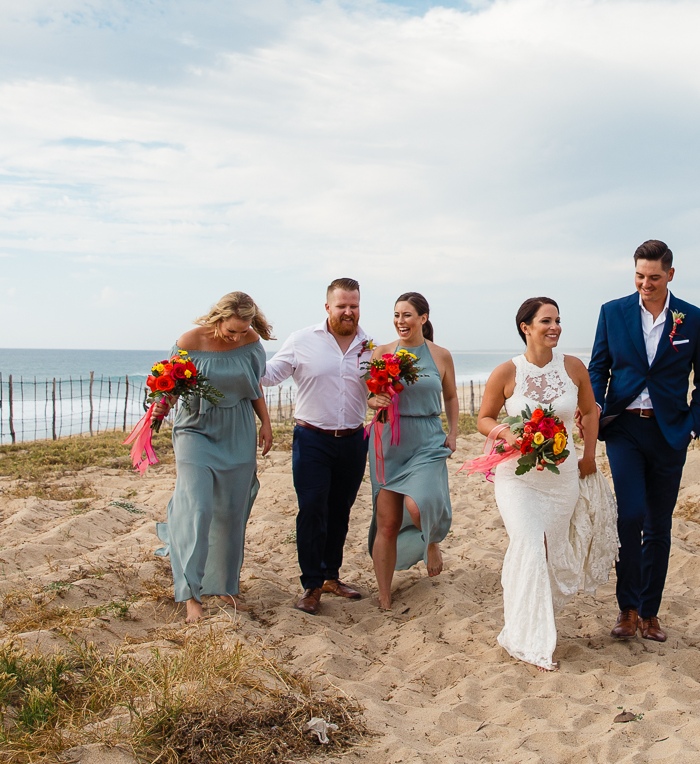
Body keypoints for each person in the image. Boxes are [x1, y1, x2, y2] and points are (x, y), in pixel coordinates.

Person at [588, 239, 700, 643]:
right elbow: (599, 367)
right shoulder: (612, 312)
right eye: (640, 276)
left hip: (670, 431)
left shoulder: (693, 319)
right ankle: (626, 609)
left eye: (654, 277)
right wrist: (595, 407)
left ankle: (650, 612)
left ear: (670, 276)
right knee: (630, 516)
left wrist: (693, 423)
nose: (646, 283)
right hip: (624, 428)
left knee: (659, 525)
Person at [476, 297, 614, 671]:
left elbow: (589, 411)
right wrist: (506, 432)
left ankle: (531, 619)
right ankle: (527, 638)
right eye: (546, 321)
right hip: (518, 477)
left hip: (563, 477)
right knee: (529, 545)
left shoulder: (573, 367)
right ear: (526, 327)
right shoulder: (507, 372)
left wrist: (589, 456)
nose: (554, 327)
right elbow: (484, 418)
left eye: (557, 321)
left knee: (550, 554)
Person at [153, 291, 275, 623]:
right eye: (231, 330)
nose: (237, 336)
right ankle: (192, 594)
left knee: (231, 513)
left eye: (244, 329)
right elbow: (169, 387)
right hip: (196, 428)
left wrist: (265, 422)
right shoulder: (189, 340)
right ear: (217, 318)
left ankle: (225, 587)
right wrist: (155, 418)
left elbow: (255, 386)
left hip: (237, 430)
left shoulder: (250, 342)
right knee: (198, 508)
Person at [263, 278, 373, 615]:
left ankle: (330, 576)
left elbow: (383, 388)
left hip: (354, 440)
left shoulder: (372, 347)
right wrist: (245, 345)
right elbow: (268, 376)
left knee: (340, 511)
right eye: (342, 306)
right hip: (311, 439)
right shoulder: (301, 341)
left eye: (353, 305)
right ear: (328, 307)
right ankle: (311, 585)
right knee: (312, 509)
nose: (348, 312)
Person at [366, 291, 460, 610]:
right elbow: (371, 394)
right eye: (396, 315)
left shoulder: (441, 355)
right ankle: (384, 593)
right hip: (388, 438)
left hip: (428, 438)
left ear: (423, 318)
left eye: (407, 315)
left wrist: (454, 432)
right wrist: (372, 400)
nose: (400, 321)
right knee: (388, 522)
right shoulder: (382, 352)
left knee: (420, 505)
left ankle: (431, 541)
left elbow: (450, 397)